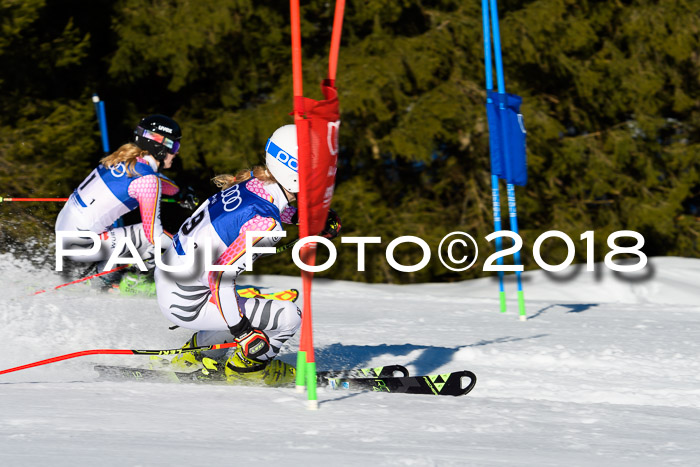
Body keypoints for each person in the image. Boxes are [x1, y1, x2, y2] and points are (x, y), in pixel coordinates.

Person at [154, 124, 340, 386]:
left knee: (246, 301)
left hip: (173, 283)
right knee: (289, 316)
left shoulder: (255, 183)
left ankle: (199, 354)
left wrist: (306, 219)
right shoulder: (267, 227)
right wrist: (243, 334)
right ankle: (246, 369)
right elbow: (219, 278)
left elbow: (267, 209)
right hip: (188, 301)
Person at [55, 115, 182, 284]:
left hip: (65, 231)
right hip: (80, 245)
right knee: (150, 239)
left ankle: (103, 275)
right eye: (174, 146)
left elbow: (163, 183)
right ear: (160, 146)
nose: (177, 152)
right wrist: (184, 247)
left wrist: (179, 193)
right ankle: (128, 282)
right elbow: (154, 236)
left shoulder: (123, 159)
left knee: (132, 234)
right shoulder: (147, 180)